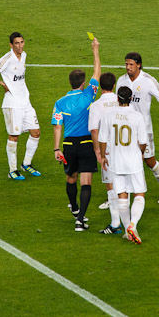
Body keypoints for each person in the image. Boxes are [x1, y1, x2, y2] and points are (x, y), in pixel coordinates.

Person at [52, 37, 100, 231]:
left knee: (70, 178)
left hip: (68, 145)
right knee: (86, 181)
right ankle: (80, 219)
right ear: (82, 84)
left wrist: (57, 148)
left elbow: (57, 126)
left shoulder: (60, 102)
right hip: (87, 143)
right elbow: (97, 73)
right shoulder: (89, 94)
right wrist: (95, 51)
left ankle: (74, 208)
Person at [116, 53, 159, 203]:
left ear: (139, 65)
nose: (128, 68)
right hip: (125, 130)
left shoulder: (148, 81)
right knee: (122, 161)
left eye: (131, 65)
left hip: (143, 129)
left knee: (149, 161)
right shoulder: (121, 80)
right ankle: (117, 196)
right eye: (126, 64)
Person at [0, 32, 41, 180]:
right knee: (14, 136)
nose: (20, 46)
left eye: (22, 42)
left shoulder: (24, 56)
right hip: (13, 103)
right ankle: (12, 170)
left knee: (36, 132)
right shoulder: (7, 58)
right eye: (17, 43)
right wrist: (3, 84)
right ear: (11, 45)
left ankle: (26, 164)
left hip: (25, 102)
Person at [99, 86, 148, 244]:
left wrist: (103, 156)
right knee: (139, 194)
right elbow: (143, 142)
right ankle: (132, 226)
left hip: (116, 161)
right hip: (133, 161)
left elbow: (102, 139)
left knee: (122, 195)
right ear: (131, 98)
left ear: (117, 99)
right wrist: (140, 152)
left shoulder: (109, 116)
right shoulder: (137, 116)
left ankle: (128, 229)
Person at [88, 72, 122, 234]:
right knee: (125, 185)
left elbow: (94, 130)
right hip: (125, 148)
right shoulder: (122, 101)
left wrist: (97, 151)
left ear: (101, 87)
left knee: (110, 185)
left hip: (107, 150)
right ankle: (129, 223)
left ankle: (116, 223)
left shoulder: (96, 106)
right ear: (114, 85)